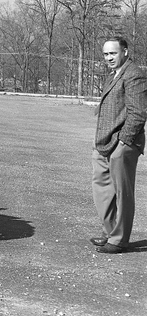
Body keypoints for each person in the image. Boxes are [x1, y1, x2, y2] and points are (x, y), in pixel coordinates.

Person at [90, 36, 146, 254]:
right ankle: (111, 230)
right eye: (105, 54)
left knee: (122, 193)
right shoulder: (113, 75)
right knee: (102, 190)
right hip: (104, 142)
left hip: (123, 144)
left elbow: (139, 113)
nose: (109, 58)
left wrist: (124, 142)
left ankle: (119, 239)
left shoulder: (134, 75)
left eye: (113, 53)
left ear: (125, 51)